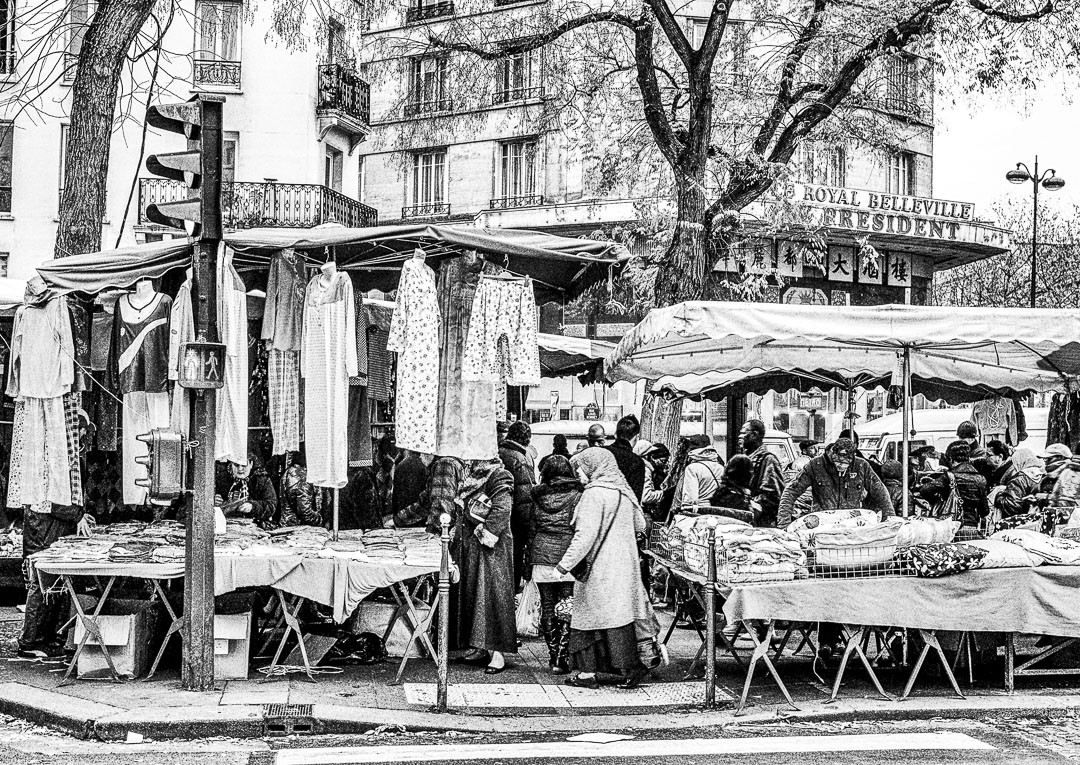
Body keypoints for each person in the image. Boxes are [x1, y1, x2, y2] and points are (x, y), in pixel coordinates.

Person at [556, 448, 656, 690]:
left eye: (580, 467)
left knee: (588, 621)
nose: (578, 473)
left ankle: (588, 673)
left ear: (593, 466)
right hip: (624, 568)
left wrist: (563, 565)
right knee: (618, 619)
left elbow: (584, 536)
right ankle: (625, 669)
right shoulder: (623, 492)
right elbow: (640, 524)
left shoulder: (593, 494)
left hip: (599, 569)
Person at [455, 459, 518, 674]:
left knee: (493, 597)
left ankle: (498, 653)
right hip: (475, 546)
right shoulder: (471, 473)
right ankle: (480, 647)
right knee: (476, 596)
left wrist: (487, 533)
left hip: (492, 550)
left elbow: (502, 509)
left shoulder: (499, 474)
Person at [529, 455, 581, 675]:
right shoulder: (577, 496)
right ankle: (563, 656)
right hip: (567, 555)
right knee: (567, 606)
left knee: (548, 605)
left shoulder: (537, 496)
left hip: (541, 554)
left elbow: (532, 528)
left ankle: (553, 657)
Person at [18, 504, 91, 659]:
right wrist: (77, 515)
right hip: (44, 527)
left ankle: (47, 640)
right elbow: (52, 500)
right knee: (41, 584)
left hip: (47, 525)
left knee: (51, 586)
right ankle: (30, 643)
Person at [777, 438, 892, 528]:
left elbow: (881, 492)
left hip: (852, 526)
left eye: (846, 463)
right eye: (838, 462)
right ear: (833, 453)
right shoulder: (815, 465)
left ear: (853, 457)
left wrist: (891, 521)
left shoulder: (861, 466)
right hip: (821, 527)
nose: (841, 466)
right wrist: (783, 525)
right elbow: (790, 492)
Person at [918, 441, 989, 536]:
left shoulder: (949, 477)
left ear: (951, 459)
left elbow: (924, 490)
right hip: (971, 529)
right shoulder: (981, 479)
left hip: (950, 527)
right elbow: (984, 511)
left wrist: (939, 499)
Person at [499, 420, 537, 590]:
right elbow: (525, 497)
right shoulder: (520, 459)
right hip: (514, 518)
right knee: (514, 556)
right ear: (527, 438)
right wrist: (528, 525)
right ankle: (511, 593)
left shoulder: (499, 452)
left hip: (498, 515)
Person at [739, 419, 785, 527]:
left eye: (744, 433)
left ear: (755, 435)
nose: (739, 436)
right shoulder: (745, 459)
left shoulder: (768, 460)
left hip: (763, 522)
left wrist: (747, 502)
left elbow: (773, 496)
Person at [214, 451, 278, 528]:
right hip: (226, 525)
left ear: (251, 464)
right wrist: (213, 500)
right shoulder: (221, 478)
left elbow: (271, 505)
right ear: (231, 465)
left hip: (256, 525)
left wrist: (253, 507)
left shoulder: (261, 479)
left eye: (244, 465)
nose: (240, 469)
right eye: (236, 465)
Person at [991, 446, 1042, 521]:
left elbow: (1012, 506)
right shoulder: (1042, 476)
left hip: (1019, 523)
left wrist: (999, 496)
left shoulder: (1019, 479)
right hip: (1037, 520)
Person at [676, 434, 725, 510]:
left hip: (700, 512)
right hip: (718, 512)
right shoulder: (721, 468)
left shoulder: (692, 468)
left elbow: (690, 499)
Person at [278, 450, 323, 527]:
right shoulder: (302, 477)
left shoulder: (290, 472)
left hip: (289, 524)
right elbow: (305, 512)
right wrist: (320, 520)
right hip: (300, 528)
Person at [606, 414, 646, 500]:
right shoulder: (637, 462)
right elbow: (635, 498)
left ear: (615, 434)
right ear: (636, 437)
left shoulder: (602, 452)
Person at [393, 450, 428, 522]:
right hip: (418, 514)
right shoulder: (424, 465)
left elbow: (395, 494)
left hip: (402, 513)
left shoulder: (400, 465)